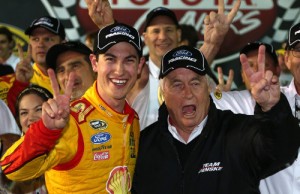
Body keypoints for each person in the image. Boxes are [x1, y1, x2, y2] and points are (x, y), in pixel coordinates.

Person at [132, 45, 300, 194]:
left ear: (207, 88)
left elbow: (282, 150)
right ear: (163, 93)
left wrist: (273, 107)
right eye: (177, 84)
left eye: (195, 83)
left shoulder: (239, 133)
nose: (187, 93)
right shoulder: (144, 145)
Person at [1, 23, 144, 193]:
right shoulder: (71, 121)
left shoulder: (132, 117)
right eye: (110, 59)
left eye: (129, 60)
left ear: (140, 66)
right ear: (95, 63)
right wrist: (46, 130)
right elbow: (12, 168)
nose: (119, 70)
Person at [85, 0, 241, 130]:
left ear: (178, 34)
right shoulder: (137, 73)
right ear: (145, 37)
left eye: (168, 30)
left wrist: (213, 44)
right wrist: (107, 26)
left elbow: (191, 70)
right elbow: (117, 61)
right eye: (155, 31)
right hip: (139, 161)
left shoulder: (202, 78)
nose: (162, 36)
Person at [3, 85, 53, 194]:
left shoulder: (66, 147)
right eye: (24, 113)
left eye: (39, 109)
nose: (31, 117)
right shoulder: (11, 159)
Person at [212, 42, 281, 114]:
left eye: (264, 65)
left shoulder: (290, 96)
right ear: (242, 75)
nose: (256, 70)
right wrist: (222, 97)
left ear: (278, 70)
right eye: (250, 65)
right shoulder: (234, 101)